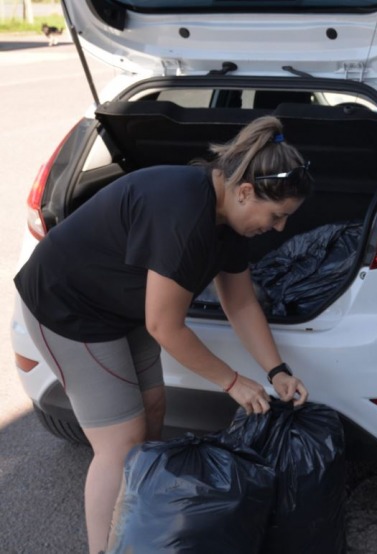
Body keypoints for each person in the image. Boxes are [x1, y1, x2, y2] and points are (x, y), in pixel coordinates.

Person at [14, 115, 311, 553]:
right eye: (277, 215)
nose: (280, 227)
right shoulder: (183, 213)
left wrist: (277, 370)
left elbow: (242, 303)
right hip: (68, 308)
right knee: (120, 442)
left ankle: (139, 528)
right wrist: (232, 381)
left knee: (152, 413)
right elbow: (164, 326)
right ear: (245, 191)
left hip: (122, 307)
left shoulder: (229, 219)